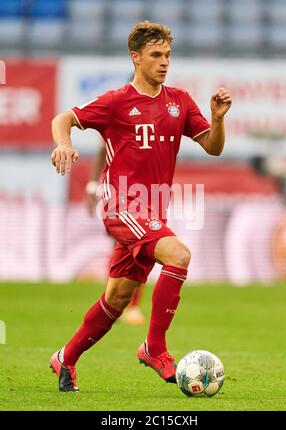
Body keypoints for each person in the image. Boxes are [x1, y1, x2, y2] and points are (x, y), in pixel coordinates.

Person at [50, 20, 232, 392]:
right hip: (121, 206)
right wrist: (63, 143)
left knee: (116, 299)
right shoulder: (117, 101)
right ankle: (154, 347)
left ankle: (65, 357)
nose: (164, 62)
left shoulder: (179, 101)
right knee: (179, 254)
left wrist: (216, 119)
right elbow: (63, 118)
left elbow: (213, 147)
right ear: (136, 57)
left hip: (152, 211)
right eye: (155, 55)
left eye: (167, 55)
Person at [85, 143, 146, 325]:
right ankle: (117, 303)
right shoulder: (122, 118)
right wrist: (91, 186)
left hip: (145, 190)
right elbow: (103, 148)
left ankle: (126, 305)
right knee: (124, 245)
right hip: (118, 191)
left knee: (141, 248)